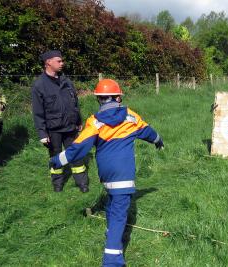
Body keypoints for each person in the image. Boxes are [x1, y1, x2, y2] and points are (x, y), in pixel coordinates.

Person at [50, 79, 164, 267]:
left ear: (99, 100)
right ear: (118, 97)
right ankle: (112, 260)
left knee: (113, 201)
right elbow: (148, 131)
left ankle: (111, 230)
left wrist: (56, 160)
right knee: (120, 214)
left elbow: (77, 148)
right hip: (124, 175)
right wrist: (158, 140)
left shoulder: (94, 122)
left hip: (106, 174)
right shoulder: (130, 116)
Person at [31, 50, 89, 192]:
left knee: (76, 156)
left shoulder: (67, 81)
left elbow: (74, 103)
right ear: (48, 62)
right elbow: (38, 112)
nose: (62, 63)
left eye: (62, 61)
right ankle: (57, 185)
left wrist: (78, 121)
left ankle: (83, 184)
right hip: (53, 130)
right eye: (59, 61)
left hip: (70, 127)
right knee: (56, 157)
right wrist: (42, 133)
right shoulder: (39, 85)